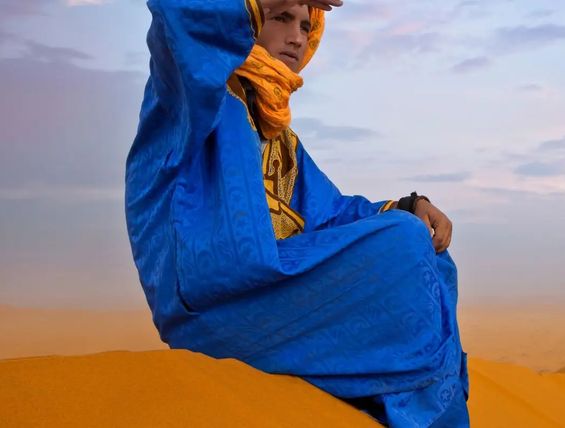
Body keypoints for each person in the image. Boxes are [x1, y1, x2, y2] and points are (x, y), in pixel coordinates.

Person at [125, 0, 469, 426]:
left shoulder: (281, 139)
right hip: (211, 306)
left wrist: (411, 206)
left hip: (274, 297)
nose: (297, 37)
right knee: (403, 241)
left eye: (306, 27)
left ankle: (395, 403)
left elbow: (331, 214)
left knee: (428, 249)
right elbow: (174, 12)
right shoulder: (191, 92)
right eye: (282, 18)